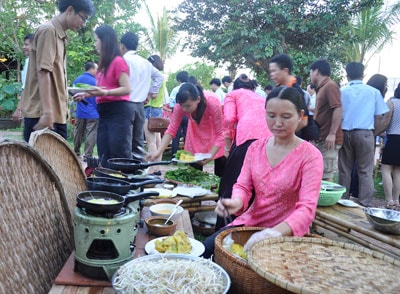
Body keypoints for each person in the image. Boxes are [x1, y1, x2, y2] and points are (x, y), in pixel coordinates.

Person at [203, 86, 323, 257]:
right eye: (271, 116)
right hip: (251, 223)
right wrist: (237, 202)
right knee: (206, 249)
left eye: (286, 116)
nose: (278, 123)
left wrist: (273, 233)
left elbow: (307, 209)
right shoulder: (255, 148)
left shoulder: (310, 156)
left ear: (301, 115)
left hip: (286, 232)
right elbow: (243, 185)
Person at [22, 0, 95, 142]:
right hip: (43, 116)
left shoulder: (59, 36)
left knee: (56, 163)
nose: (83, 23)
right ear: (69, 10)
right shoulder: (48, 31)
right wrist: (48, 113)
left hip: (55, 115)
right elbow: (43, 72)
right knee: (39, 163)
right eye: (83, 17)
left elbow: (54, 75)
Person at [215, 74, 272, 230]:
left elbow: (228, 118)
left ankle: (223, 231)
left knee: (231, 184)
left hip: (246, 139)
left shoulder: (232, 94)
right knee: (257, 186)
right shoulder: (260, 97)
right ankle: (252, 228)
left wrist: (228, 147)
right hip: (270, 142)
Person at [74, 25, 132, 168]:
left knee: (117, 152)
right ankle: (107, 183)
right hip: (104, 112)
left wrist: (105, 93)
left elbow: (126, 88)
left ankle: (121, 185)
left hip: (118, 112)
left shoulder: (118, 61)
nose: (94, 44)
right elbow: (101, 89)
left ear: (104, 41)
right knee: (104, 151)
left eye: (96, 40)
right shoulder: (102, 64)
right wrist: (85, 94)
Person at [146, 82, 225, 177]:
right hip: (196, 133)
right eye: (182, 106)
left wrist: (211, 155)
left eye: (188, 106)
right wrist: (158, 152)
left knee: (221, 174)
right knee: (194, 173)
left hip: (213, 131)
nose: (184, 109)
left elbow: (220, 134)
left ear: (198, 99)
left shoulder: (212, 102)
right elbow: (171, 129)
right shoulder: (181, 106)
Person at [338, 62, 389, 207]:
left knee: (345, 169)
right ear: (363, 74)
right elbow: (379, 116)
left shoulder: (342, 91)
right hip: (365, 133)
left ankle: (343, 198)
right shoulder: (373, 92)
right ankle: (365, 202)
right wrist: (374, 133)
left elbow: (338, 114)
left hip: (345, 132)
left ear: (347, 75)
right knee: (365, 170)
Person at [120, 32, 163, 156]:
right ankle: (137, 170)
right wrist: (150, 93)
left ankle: (126, 168)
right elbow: (159, 77)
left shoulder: (123, 60)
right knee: (138, 141)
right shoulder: (145, 63)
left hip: (125, 104)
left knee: (125, 139)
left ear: (122, 46)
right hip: (140, 106)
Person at [309, 59, 343, 182]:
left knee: (326, 175)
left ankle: (328, 201)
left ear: (316, 71)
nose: (310, 75)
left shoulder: (330, 86)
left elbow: (338, 108)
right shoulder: (322, 87)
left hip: (329, 140)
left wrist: (332, 133)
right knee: (320, 173)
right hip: (321, 137)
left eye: (310, 72)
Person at [268, 54, 309, 137]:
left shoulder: (296, 91)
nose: (272, 74)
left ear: (285, 71)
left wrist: (284, 135)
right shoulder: (277, 89)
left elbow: (304, 121)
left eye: (274, 71)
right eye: (271, 71)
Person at [144, 55, 168, 175]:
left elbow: (152, 94)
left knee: (151, 141)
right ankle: (157, 168)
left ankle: (151, 168)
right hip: (158, 110)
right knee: (157, 141)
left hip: (149, 109)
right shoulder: (162, 77)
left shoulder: (152, 77)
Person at [72, 61, 99, 160]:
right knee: (91, 133)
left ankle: (75, 152)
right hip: (93, 113)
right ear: (91, 69)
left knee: (78, 133)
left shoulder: (77, 80)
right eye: (96, 69)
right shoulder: (96, 81)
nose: (97, 71)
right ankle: (88, 155)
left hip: (80, 112)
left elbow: (73, 94)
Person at [379, 83, 400, 209]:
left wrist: (376, 132)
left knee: (386, 169)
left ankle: (389, 200)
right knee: (398, 171)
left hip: (393, 138)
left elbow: (386, 121)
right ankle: (396, 200)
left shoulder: (392, 102)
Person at [12, 33, 33, 121]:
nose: (24, 47)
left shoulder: (30, 62)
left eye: (26, 45)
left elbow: (26, 87)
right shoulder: (33, 61)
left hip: (32, 110)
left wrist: (19, 109)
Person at [169, 71, 189, 156]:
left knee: (175, 135)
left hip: (177, 114)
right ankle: (187, 156)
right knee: (187, 136)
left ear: (179, 80)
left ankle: (174, 156)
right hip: (188, 114)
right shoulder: (190, 88)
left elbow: (171, 104)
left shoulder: (175, 89)